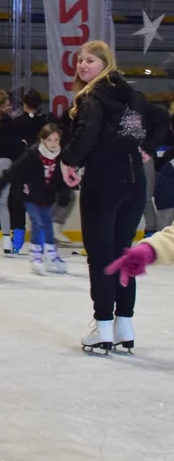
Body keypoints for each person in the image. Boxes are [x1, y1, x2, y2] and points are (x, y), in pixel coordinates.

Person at [60, 41, 167, 354]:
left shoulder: (92, 97)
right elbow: (161, 119)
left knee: (102, 256)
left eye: (90, 60)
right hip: (134, 182)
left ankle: (104, 325)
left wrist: (67, 160)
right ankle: (125, 325)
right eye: (80, 60)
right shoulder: (132, 96)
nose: (82, 66)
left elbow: (86, 137)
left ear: (105, 63)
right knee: (123, 253)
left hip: (105, 182)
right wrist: (147, 147)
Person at [0, 123, 67, 275]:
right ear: (42, 140)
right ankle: (36, 255)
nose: (53, 144)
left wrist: (64, 192)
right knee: (37, 221)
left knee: (47, 222)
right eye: (50, 140)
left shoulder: (60, 157)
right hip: (30, 195)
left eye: (56, 140)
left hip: (47, 196)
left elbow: (62, 177)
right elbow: (14, 169)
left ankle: (50, 254)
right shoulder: (32, 155)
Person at [0, 89, 23, 255]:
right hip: (5, 162)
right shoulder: (9, 121)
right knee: (3, 203)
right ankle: (7, 241)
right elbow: (15, 146)